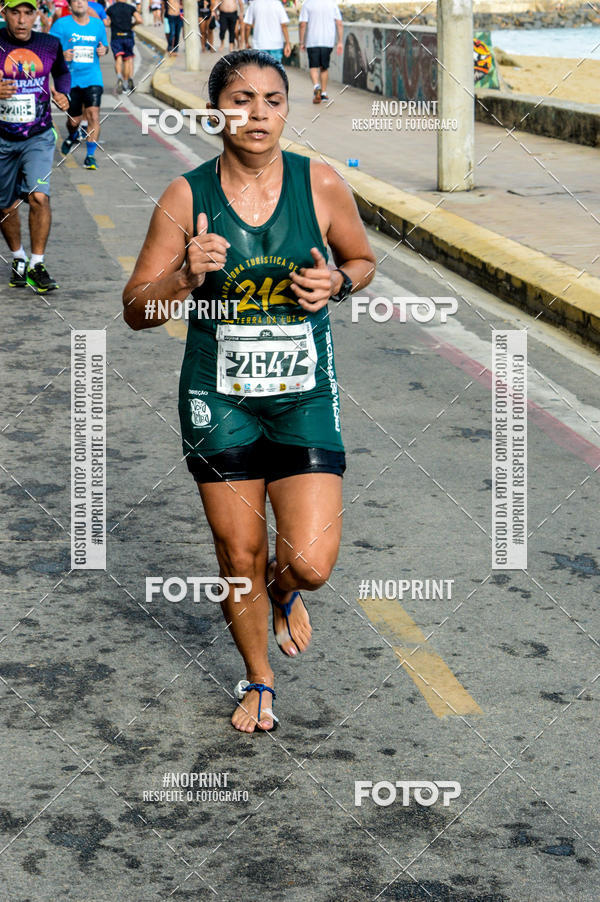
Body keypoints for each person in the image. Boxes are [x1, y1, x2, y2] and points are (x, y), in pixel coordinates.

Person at [122, 50, 376, 733]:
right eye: (241, 98)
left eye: (272, 98)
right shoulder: (185, 196)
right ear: (217, 111)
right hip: (219, 400)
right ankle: (259, 678)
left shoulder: (320, 184)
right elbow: (136, 308)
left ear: (286, 110)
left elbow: (362, 259)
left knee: (309, 562)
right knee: (239, 553)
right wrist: (182, 279)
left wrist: (340, 284)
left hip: (303, 398)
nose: (257, 113)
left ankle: (283, 591)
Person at [0, 0, 70, 291]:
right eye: (15, 13)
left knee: (39, 196)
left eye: (28, 13)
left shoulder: (49, 44)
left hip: (38, 137)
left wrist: (63, 93)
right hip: (2, 139)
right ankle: (18, 258)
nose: (21, 20)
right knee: (4, 205)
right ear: (4, 13)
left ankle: (36, 263)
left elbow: (63, 74)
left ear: (35, 15)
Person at [51, 0, 108, 169]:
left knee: (93, 114)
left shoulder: (98, 25)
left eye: (82, 0)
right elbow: (48, 49)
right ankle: (72, 134)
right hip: (70, 79)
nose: (79, 3)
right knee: (73, 121)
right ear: (70, 7)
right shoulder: (61, 25)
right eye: (75, 1)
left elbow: (104, 46)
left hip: (93, 77)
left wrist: (103, 50)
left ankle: (90, 156)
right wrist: (62, 54)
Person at [298, 0, 342, 104]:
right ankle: (324, 94)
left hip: (312, 41)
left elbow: (303, 24)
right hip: (328, 41)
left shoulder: (307, 4)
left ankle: (316, 86)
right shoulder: (332, 3)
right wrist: (340, 41)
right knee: (324, 67)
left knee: (313, 67)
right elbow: (339, 23)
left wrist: (301, 42)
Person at [104, 0, 140, 92]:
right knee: (128, 60)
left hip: (116, 36)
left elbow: (106, 22)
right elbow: (139, 20)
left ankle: (120, 78)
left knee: (118, 59)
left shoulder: (111, 9)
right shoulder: (131, 8)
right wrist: (132, 25)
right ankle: (128, 80)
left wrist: (112, 24)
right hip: (128, 36)